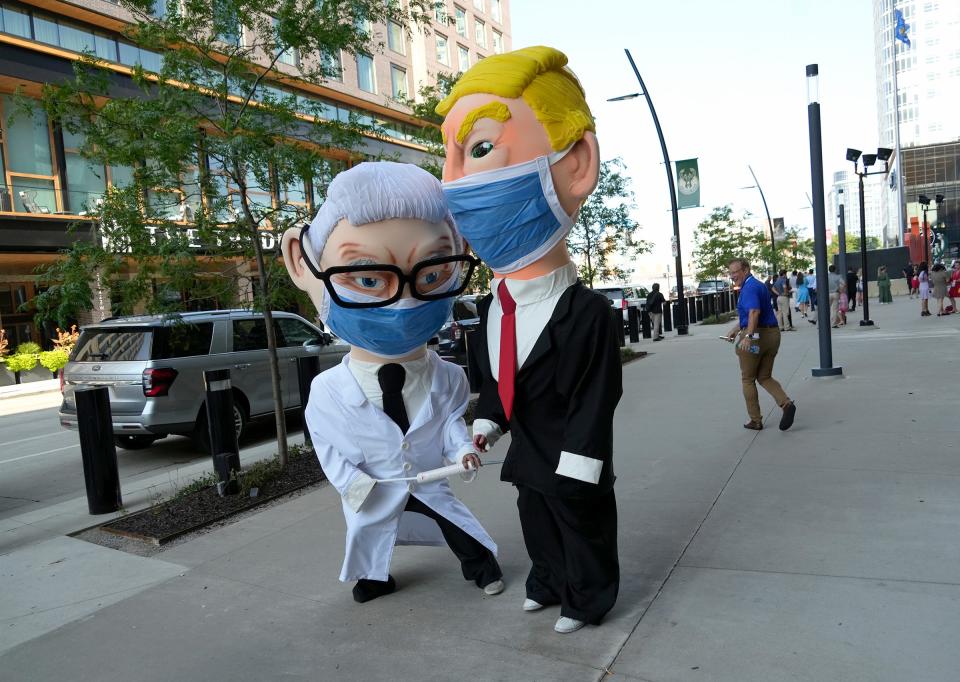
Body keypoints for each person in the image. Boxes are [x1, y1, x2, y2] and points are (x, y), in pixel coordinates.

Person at [438, 46, 621, 635]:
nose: (455, 182)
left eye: (481, 148)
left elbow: (597, 397)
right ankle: (546, 581)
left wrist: (583, 460)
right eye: (451, 158)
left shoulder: (587, 312)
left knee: (580, 523)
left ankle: (587, 597)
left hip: (571, 449)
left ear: (576, 165)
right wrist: (485, 425)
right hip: (527, 451)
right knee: (536, 519)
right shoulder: (494, 307)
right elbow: (496, 381)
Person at [280, 162, 503, 604]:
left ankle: (482, 567)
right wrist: (353, 484)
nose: (403, 303)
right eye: (367, 278)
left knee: (458, 524)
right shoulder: (327, 392)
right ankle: (374, 579)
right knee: (368, 535)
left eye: (432, 274)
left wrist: (462, 451)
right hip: (375, 487)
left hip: (429, 481)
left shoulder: (449, 377)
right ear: (301, 264)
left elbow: (450, 425)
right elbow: (330, 450)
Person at [725, 258, 796, 431]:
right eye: (731, 273)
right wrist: (736, 328)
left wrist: (748, 335)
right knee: (764, 376)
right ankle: (786, 404)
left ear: (746, 269)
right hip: (772, 335)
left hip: (756, 337)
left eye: (736, 272)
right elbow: (753, 313)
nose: (733, 276)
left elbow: (754, 312)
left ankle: (755, 420)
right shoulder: (758, 285)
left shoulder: (748, 288)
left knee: (748, 379)